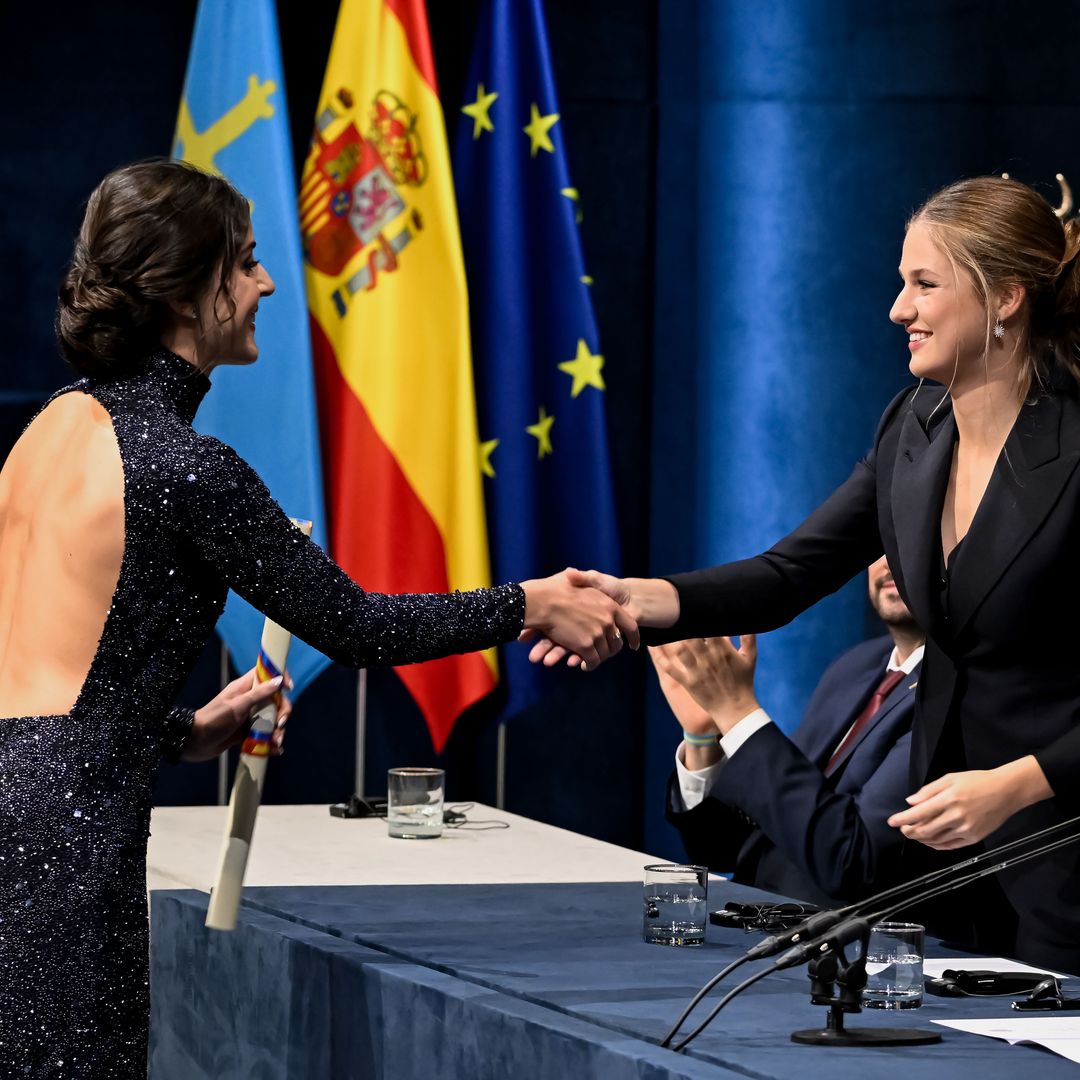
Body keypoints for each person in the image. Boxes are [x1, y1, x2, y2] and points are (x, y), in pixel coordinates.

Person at [0, 159, 637, 1077]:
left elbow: (43, 681)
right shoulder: (186, 468)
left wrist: (187, 730)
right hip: (67, 844)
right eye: (248, 262)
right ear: (191, 289)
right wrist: (527, 602)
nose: (265, 284)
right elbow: (359, 627)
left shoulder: (47, 430)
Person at [544, 176, 1080, 971]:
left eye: (924, 284)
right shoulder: (912, 426)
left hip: (1061, 863)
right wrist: (634, 601)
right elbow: (787, 573)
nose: (900, 309)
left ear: (1004, 297)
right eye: (903, 283)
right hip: (945, 876)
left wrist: (1020, 784)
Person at [657, 556, 924, 906]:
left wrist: (736, 712)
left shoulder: (956, 693)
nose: (887, 561)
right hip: (755, 923)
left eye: (907, 536)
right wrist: (704, 737)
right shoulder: (854, 666)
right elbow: (728, 848)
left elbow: (853, 863)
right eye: (879, 542)